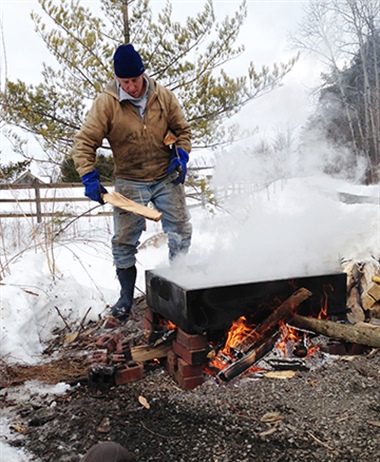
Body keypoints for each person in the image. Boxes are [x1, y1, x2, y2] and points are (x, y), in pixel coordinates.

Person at [72, 43, 192, 322]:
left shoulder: (162, 97)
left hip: (165, 174)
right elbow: (85, 141)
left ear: (143, 75)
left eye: (135, 80)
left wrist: (182, 155)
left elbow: (182, 131)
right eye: (125, 82)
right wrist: (88, 176)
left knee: (181, 230)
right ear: (117, 79)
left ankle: (180, 281)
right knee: (123, 240)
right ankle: (126, 296)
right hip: (130, 178)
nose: (132, 87)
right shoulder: (107, 103)